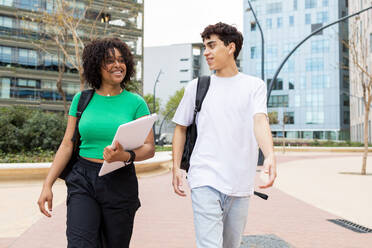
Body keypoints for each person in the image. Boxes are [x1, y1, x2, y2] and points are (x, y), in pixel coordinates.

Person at [37, 38, 155, 248]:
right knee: (79, 243)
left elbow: (149, 148)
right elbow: (67, 145)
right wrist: (48, 184)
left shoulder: (136, 103)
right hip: (83, 178)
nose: (118, 65)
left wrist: (125, 156)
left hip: (119, 180)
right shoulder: (81, 100)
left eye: (121, 60)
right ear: (95, 65)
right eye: (109, 60)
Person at [172, 22, 277, 248]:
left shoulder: (254, 86)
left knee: (231, 245)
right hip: (204, 178)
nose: (206, 53)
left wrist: (269, 156)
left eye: (211, 46)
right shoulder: (197, 86)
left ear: (231, 47)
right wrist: (176, 167)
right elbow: (181, 127)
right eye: (204, 47)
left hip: (241, 182)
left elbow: (260, 121)